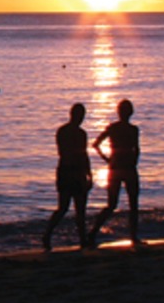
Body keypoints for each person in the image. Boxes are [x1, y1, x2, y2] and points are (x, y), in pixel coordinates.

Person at [89, 99, 140, 246]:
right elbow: (136, 149)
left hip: (119, 167)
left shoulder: (118, 128)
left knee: (116, 204)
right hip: (124, 167)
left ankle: (94, 233)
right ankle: (132, 237)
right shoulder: (129, 129)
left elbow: (96, 144)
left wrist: (108, 159)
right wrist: (108, 159)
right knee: (128, 204)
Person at [43, 102, 92, 250]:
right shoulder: (64, 132)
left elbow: (84, 155)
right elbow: (66, 153)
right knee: (64, 207)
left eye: (82, 116)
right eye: (79, 115)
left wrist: (88, 174)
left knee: (80, 209)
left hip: (74, 172)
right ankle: (47, 235)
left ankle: (83, 240)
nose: (81, 118)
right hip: (67, 171)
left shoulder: (80, 133)